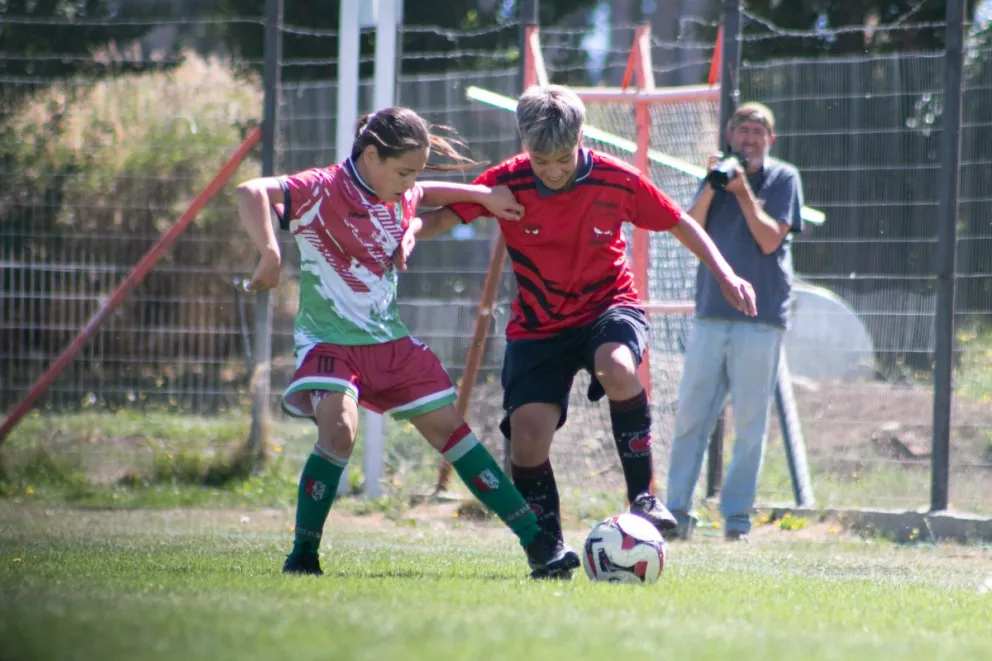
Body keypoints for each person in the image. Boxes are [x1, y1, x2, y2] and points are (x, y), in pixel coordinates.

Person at [411, 85, 757, 577]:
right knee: (527, 439)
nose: (552, 170)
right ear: (525, 146)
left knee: (617, 366)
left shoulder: (617, 180)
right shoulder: (506, 183)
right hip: (538, 326)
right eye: (540, 160)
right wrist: (401, 232)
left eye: (562, 159)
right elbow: (441, 218)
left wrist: (725, 273)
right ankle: (547, 549)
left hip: (607, 307)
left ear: (580, 139)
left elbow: (679, 222)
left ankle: (642, 495)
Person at [235, 106, 581, 579]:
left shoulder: (398, 189)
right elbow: (251, 191)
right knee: (338, 431)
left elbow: (427, 192)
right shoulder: (321, 188)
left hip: (390, 343)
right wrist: (270, 252)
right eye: (403, 172)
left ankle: (540, 547)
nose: (410, 183)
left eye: (415, 172)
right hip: (330, 341)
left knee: (453, 433)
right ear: (371, 156)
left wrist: (484, 196)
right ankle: (303, 554)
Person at [665, 102, 805, 542]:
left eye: (758, 132)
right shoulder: (717, 176)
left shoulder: (783, 179)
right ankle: (675, 513)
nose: (749, 140)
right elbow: (688, 230)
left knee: (749, 426)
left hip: (760, 321)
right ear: (730, 136)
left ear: (770, 140)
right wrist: (712, 185)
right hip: (711, 314)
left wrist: (743, 193)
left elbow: (768, 240)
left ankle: (737, 521)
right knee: (691, 418)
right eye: (743, 131)